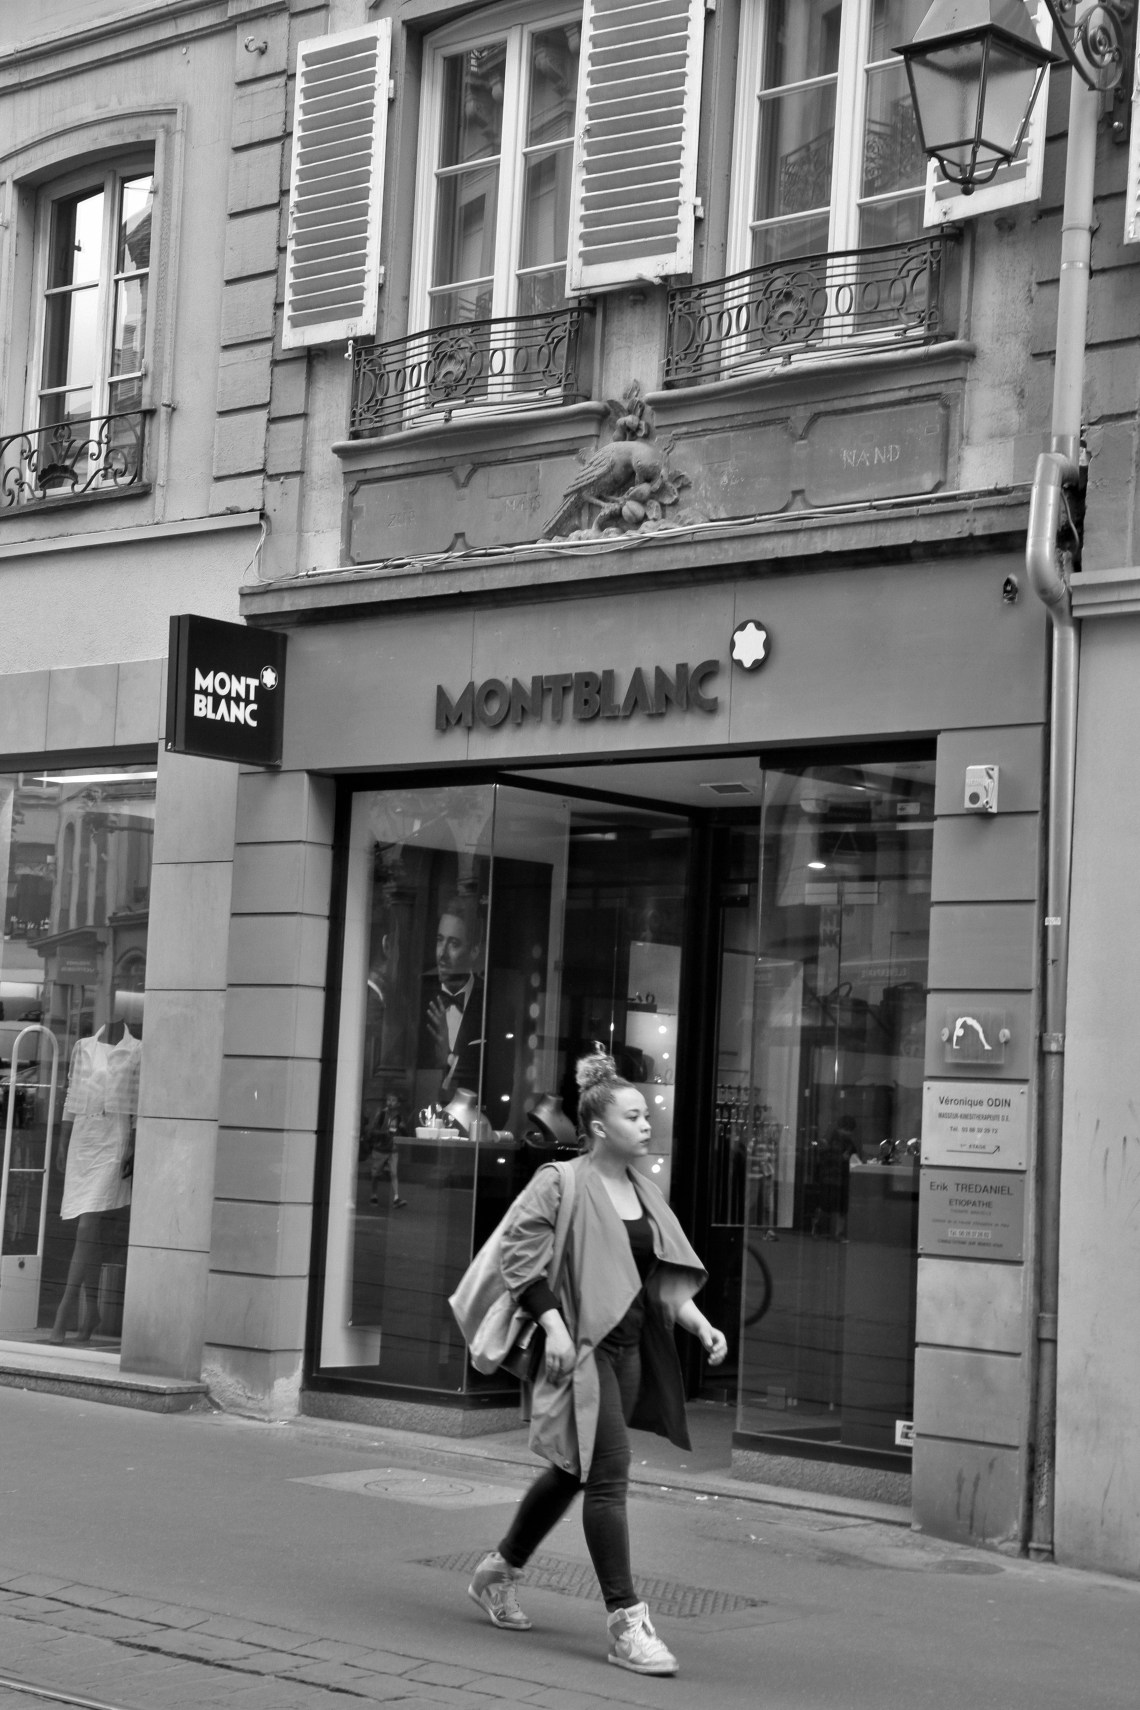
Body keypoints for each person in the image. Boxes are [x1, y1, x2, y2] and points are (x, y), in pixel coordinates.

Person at [466, 1049, 727, 1677]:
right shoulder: (561, 1181)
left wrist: (700, 1323)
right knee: (608, 1475)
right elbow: (520, 1262)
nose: (647, 1124)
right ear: (600, 1127)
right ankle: (627, 1622)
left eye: (646, 1114)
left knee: (572, 1471)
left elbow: (658, 1276)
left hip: (628, 1348)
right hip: (577, 1351)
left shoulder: (644, 1189)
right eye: (634, 1115)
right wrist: (553, 1327)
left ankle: (496, 1571)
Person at [420, 896, 487, 1103]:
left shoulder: (488, 1003)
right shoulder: (419, 999)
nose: (442, 955)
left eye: (454, 944)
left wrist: (448, 1058)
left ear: (474, 950)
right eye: (440, 941)